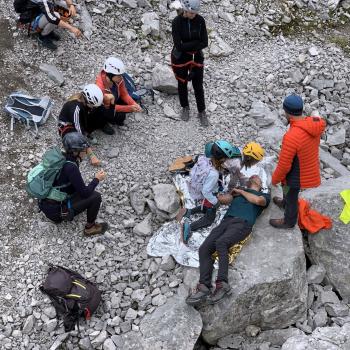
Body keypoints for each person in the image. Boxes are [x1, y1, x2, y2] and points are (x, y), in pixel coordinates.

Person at [186, 175, 270, 306]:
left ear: (260, 184)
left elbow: (259, 201)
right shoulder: (238, 193)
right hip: (226, 222)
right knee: (204, 249)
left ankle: (222, 284)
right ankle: (204, 287)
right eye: (253, 177)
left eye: (257, 177)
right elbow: (224, 200)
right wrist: (228, 193)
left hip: (243, 223)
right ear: (248, 182)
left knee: (221, 242)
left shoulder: (264, 195)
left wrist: (242, 192)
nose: (255, 177)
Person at [269, 94, 326, 229]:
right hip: (307, 166)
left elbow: (284, 166)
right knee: (287, 189)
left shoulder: (292, 136)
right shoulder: (314, 124)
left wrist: (274, 179)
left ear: (287, 113)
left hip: (296, 174)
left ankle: (289, 221)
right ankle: (284, 203)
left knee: (291, 195)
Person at [38, 132, 108, 236]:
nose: (86, 153)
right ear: (76, 152)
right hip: (57, 212)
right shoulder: (71, 167)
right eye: (84, 150)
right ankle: (90, 228)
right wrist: (97, 179)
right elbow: (85, 193)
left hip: (45, 204)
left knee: (81, 190)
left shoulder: (61, 158)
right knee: (96, 196)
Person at [176, 140, 237, 243]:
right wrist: (215, 201)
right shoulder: (214, 174)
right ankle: (189, 227)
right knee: (209, 219)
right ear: (222, 158)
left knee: (205, 206)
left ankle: (188, 211)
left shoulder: (205, 159)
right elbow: (206, 192)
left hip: (200, 191)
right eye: (225, 158)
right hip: (210, 195)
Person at [171, 0, 209, 126]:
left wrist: (188, 45)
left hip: (196, 56)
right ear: (185, 10)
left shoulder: (200, 20)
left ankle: (201, 111)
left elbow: (205, 42)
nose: (194, 16)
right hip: (180, 58)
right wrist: (195, 43)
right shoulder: (176, 22)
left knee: (198, 84)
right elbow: (178, 45)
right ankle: (185, 107)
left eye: (195, 13)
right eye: (191, 13)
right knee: (182, 82)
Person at [58, 84, 105, 166]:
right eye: (93, 106)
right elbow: (79, 133)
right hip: (67, 128)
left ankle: (86, 137)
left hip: (78, 122)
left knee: (100, 112)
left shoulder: (82, 102)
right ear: (88, 101)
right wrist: (92, 155)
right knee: (76, 140)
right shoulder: (76, 109)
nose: (93, 107)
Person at [95, 57, 142, 133]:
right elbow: (109, 107)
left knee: (131, 102)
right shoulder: (100, 87)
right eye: (119, 75)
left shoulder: (118, 80)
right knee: (119, 116)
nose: (121, 77)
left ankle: (113, 119)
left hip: (114, 100)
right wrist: (129, 108)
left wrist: (134, 104)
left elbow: (124, 94)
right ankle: (103, 124)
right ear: (110, 75)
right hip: (105, 107)